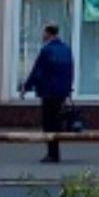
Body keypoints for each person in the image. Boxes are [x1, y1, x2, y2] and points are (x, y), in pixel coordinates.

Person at [22, 24, 75, 164]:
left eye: (44, 32)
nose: (42, 35)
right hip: (61, 92)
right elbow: (70, 71)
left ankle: (52, 154)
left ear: (48, 33)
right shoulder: (66, 49)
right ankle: (55, 153)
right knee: (56, 122)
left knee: (48, 123)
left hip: (49, 91)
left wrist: (26, 87)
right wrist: (68, 90)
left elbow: (37, 71)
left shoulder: (46, 50)